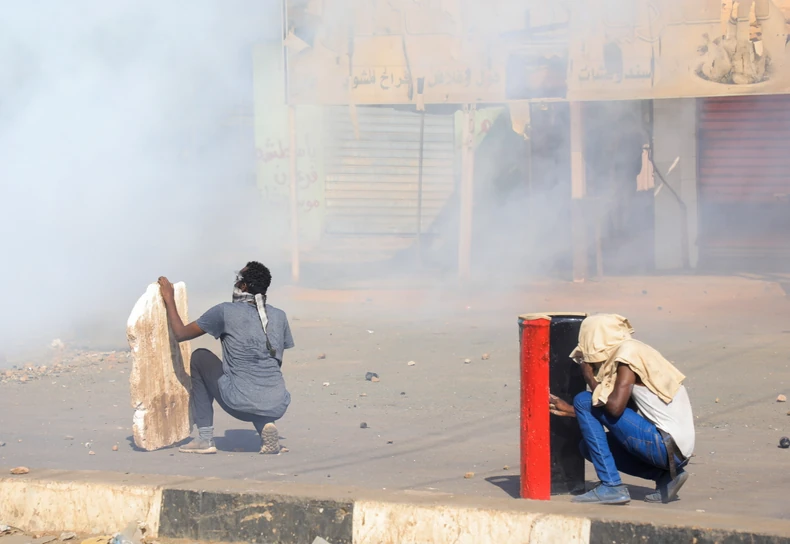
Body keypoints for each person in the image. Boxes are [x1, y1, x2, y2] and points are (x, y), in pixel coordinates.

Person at [549, 314, 694, 505]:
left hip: (664, 445)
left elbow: (616, 409)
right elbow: (625, 411)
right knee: (586, 447)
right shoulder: (636, 350)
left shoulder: (627, 356)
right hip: (676, 451)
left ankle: (611, 486)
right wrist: (572, 411)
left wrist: (589, 377)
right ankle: (667, 477)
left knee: (584, 399)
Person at [157, 261, 293, 455]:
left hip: (238, 404)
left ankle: (205, 438)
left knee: (199, 357)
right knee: (254, 380)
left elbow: (181, 334)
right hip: (277, 404)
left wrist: (169, 298)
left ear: (244, 286)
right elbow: (276, 362)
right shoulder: (279, 316)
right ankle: (265, 426)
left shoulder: (224, 311)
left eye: (238, 279)